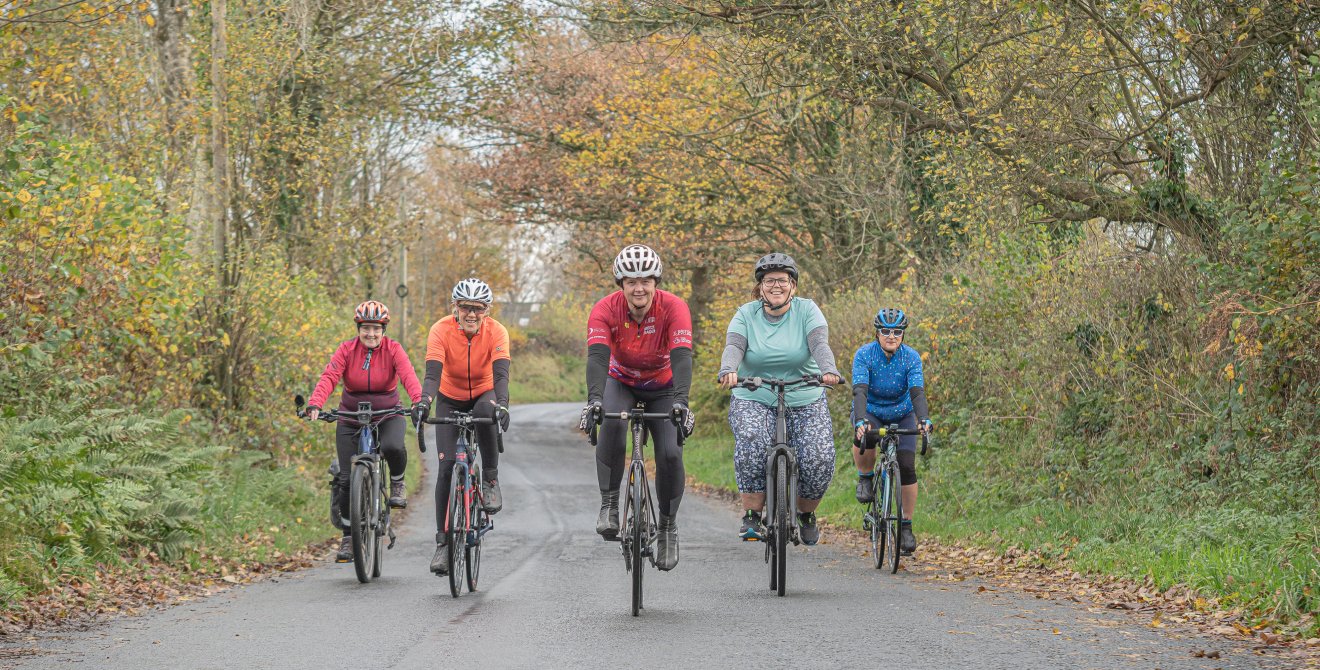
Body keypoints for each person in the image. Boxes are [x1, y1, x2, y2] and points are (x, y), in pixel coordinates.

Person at [577, 244, 694, 571]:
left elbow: (682, 358)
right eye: (631, 281)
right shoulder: (604, 309)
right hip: (621, 381)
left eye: (645, 280)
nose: (639, 287)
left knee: (670, 453)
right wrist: (595, 400)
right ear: (621, 284)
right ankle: (610, 505)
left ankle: (668, 528)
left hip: (663, 385)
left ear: (655, 282)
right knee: (611, 422)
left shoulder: (674, 308)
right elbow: (598, 358)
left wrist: (681, 403)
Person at [717, 253, 841, 546]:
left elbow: (819, 344)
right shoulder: (746, 314)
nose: (776, 285)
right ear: (760, 287)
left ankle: (806, 514)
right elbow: (734, 346)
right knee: (751, 438)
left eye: (782, 281)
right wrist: (729, 370)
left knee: (819, 455)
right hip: (754, 394)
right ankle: (751, 513)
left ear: (793, 286)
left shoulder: (808, 310)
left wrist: (828, 370)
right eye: (769, 280)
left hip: (805, 394)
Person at [306, 300, 423, 563]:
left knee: (393, 447)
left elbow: (408, 376)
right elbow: (330, 376)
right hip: (351, 416)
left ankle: (398, 482)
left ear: (384, 329)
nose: (371, 334)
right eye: (366, 328)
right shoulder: (346, 350)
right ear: (358, 328)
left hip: (387, 413)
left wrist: (418, 402)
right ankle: (349, 536)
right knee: (347, 479)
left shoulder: (394, 350)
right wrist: (316, 403)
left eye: (376, 329)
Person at [414, 278, 512, 576]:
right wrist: (423, 402)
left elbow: (501, 375)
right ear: (454, 308)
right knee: (445, 469)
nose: (471, 314)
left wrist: (503, 404)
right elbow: (432, 374)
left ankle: (490, 480)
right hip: (449, 396)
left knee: (485, 412)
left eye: (478, 309)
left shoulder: (497, 332)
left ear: (487, 311)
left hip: (484, 391)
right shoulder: (440, 330)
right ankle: (443, 543)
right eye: (465, 307)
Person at [851, 307, 932, 555]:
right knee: (866, 435)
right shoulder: (865, 354)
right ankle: (865, 478)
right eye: (886, 331)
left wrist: (923, 419)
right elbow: (860, 390)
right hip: (872, 409)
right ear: (877, 333)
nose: (892, 336)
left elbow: (917, 392)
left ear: (903, 334)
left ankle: (905, 526)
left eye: (897, 331)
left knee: (907, 465)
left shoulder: (911, 357)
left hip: (902, 411)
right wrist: (861, 420)